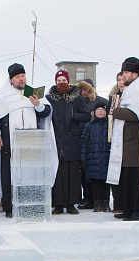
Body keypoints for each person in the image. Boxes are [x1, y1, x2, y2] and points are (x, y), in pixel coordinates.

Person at [0, 63, 53, 219]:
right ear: (11, 80)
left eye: (23, 76)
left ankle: (30, 204)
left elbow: (46, 113)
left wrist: (38, 105)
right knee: (9, 174)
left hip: (31, 143)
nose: (21, 79)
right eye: (17, 77)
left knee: (30, 174)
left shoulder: (33, 93)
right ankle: (9, 206)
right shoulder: (3, 96)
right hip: (10, 143)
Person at [107, 59, 139, 220]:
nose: (123, 76)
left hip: (135, 143)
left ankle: (138, 210)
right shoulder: (131, 89)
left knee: (135, 178)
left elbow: (138, 114)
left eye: (126, 73)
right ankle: (128, 208)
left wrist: (116, 112)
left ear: (135, 74)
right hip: (126, 142)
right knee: (126, 177)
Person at [47, 69, 91, 214]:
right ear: (55, 82)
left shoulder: (77, 98)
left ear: (68, 81)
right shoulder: (50, 99)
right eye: (59, 81)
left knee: (72, 174)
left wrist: (73, 116)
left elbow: (86, 116)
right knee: (58, 173)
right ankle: (58, 204)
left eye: (63, 80)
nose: (61, 83)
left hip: (72, 141)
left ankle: (71, 204)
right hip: (56, 140)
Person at [76, 78, 107, 210]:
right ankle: (88, 198)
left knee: (100, 177)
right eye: (81, 89)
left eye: (86, 89)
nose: (84, 92)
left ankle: (99, 201)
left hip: (100, 142)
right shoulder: (77, 101)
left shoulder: (100, 101)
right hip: (84, 140)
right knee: (86, 174)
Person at [81, 104, 112, 212]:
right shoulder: (89, 125)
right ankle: (97, 203)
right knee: (95, 182)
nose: (100, 112)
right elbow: (84, 142)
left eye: (102, 110)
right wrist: (83, 158)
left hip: (106, 157)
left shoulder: (110, 125)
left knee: (106, 182)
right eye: (98, 110)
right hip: (92, 158)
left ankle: (106, 203)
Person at [107, 72, 126, 213]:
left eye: (123, 79)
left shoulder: (130, 96)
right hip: (114, 137)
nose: (120, 82)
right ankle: (118, 203)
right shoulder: (113, 98)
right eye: (118, 79)